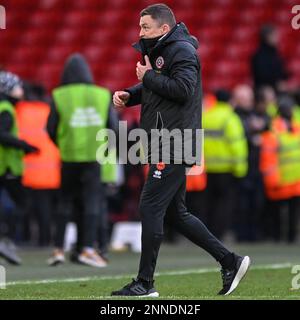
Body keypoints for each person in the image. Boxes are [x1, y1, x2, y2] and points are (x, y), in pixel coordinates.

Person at [112, 3, 250, 297]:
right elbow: (161, 89)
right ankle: (230, 261)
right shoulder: (163, 51)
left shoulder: (182, 51)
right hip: (167, 140)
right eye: (139, 27)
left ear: (164, 28)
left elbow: (184, 89)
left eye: (145, 27)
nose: (140, 32)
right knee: (176, 214)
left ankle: (145, 283)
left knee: (150, 206)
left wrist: (147, 78)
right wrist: (131, 93)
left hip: (174, 141)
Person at [47, 53, 117, 267]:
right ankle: (87, 248)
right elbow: (112, 127)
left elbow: (50, 128)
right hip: (94, 157)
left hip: (69, 157)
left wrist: (64, 145)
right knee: (91, 203)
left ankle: (58, 249)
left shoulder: (59, 95)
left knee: (65, 202)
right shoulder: (102, 94)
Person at [0, 71, 39, 264]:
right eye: (17, 86)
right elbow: (2, 135)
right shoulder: (6, 108)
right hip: (6, 166)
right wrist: (25, 146)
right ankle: (4, 238)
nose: (21, 90)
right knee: (22, 203)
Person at [203, 89, 248, 239]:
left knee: (209, 203)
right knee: (225, 204)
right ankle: (219, 234)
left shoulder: (206, 116)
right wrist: (240, 170)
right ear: (230, 101)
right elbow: (237, 146)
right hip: (227, 169)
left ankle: (207, 233)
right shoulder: (230, 118)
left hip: (208, 168)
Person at [251, 24, 289, 92]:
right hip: (264, 90)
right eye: (274, 35)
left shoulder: (275, 53)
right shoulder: (259, 56)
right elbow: (261, 76)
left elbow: (281, 72)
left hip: (276, 89)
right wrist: (277, 83)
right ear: (267, 37)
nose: (277, 38)